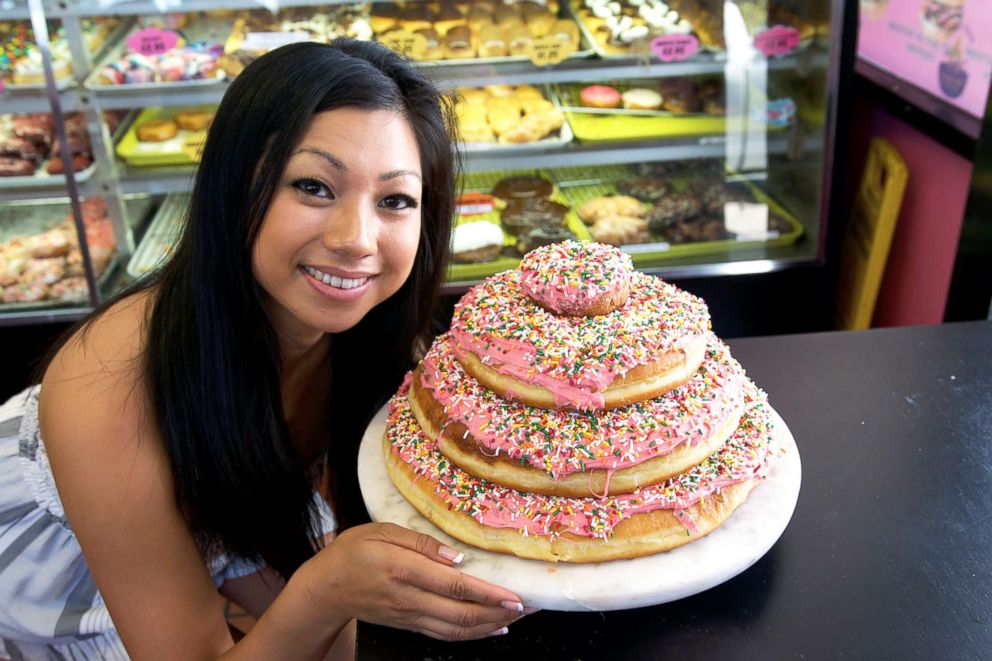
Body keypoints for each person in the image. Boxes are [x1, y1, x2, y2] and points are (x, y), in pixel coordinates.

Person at [0, 40, 529, 659]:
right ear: (233, 188)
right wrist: (328, 588)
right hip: (48, 577)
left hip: (222, 525)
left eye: (395, 200)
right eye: (313, 186)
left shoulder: (380, 342)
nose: (357, 240)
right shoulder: (109, 386)